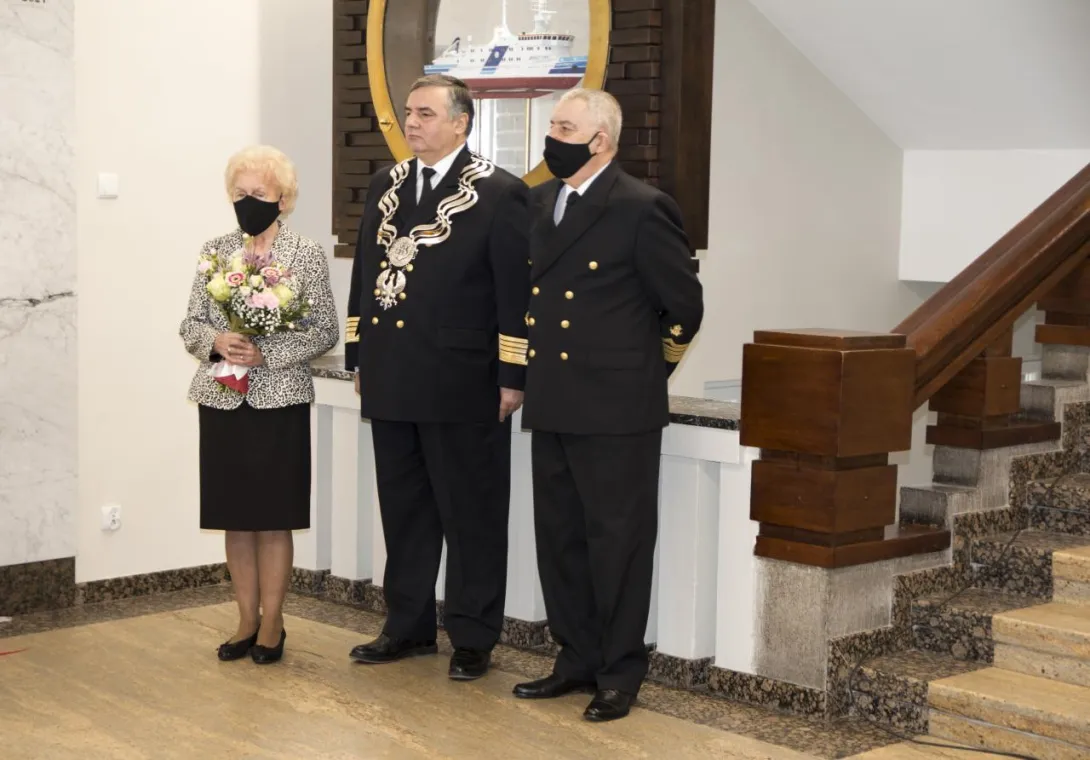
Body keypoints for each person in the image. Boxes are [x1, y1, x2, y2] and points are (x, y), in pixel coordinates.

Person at [512, 89, 704, 721]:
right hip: (553, 399)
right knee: (560, 539)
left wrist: (644, 370)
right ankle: (575, 658)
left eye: (565, 128)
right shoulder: (539, 201)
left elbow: (684, 307)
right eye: (552, 125)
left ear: (601, 140)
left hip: (618, 408)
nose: (552, 137)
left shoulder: (642, 208)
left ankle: (619, 672)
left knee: (617, 545)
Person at [343, 74, 530, 681]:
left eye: (425, 113)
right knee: (405, 511)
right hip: (393, 373)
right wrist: (359, 355)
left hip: (463, 379)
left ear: (460, 122)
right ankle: (407, 626)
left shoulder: (498, 191)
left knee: (471, 515)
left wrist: (512, 373)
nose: (412, 122)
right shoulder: (387, 183)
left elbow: (514, 292)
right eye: (409, 112)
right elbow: (365, 271)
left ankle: (473, 636)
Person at [179, 145, 339, 664]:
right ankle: (245, 619)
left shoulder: (305, 253)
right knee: (235, 517)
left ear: (283, 199)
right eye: (240, 193)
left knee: (272, 517)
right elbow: (190, 324)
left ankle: (273, 623)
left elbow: (325, 330)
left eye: (259, 193)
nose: (248, 201)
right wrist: (217, 341)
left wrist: (266, 352)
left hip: (278, 400)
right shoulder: (215, 251)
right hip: (223, 398)